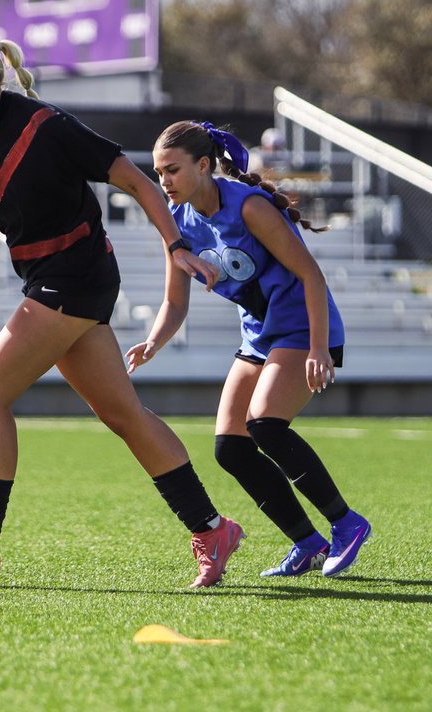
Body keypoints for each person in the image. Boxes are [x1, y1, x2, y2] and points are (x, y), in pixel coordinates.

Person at [0, 29, 244, 588]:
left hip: (77, 276)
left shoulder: (46, 126)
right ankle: (213, 529)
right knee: (123, 414)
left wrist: (177, 246)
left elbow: (137, 181)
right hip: (51, 281)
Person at [126, 120, 371, 578]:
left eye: (173, 170)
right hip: (258, 335)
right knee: (230, 449)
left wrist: (319, 347)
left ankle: (346, 522)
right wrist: (154, 341)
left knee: (265, 425)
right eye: (158, 173)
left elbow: (311, 275)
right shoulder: (176, 222)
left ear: (203, 165)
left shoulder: (250, 207)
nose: (164, 181)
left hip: (302, 327)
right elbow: (174, 302)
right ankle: (308, 543)